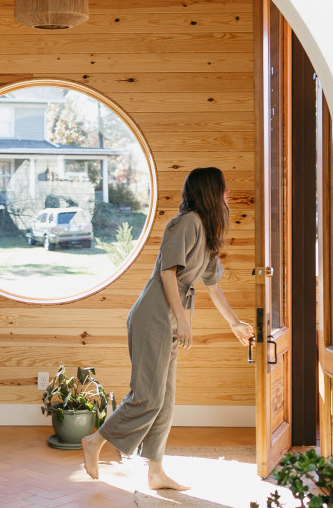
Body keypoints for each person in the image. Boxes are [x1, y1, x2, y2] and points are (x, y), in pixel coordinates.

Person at [82, 166, 253, 488]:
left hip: (171, 316)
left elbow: (212, 285)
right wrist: (184, 320)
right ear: (210, 193)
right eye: (224, 189)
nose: (228, 194)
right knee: (147, 396)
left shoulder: (208, 231)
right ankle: (95, 442)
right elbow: (167, 273)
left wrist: (234, 323)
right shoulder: (186, 223)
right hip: (154, 315)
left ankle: (156, 472)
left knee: (165, 398)